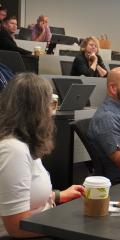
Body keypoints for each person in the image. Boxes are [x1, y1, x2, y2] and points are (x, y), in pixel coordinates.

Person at [0, 73, 84, 238]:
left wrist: (58, 195)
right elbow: (17, 226)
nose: (51, 112)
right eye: (50, 104)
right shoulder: (13, 150)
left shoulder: (23, 141)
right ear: (36, 109)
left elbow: (23, 195)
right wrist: (69, 223)